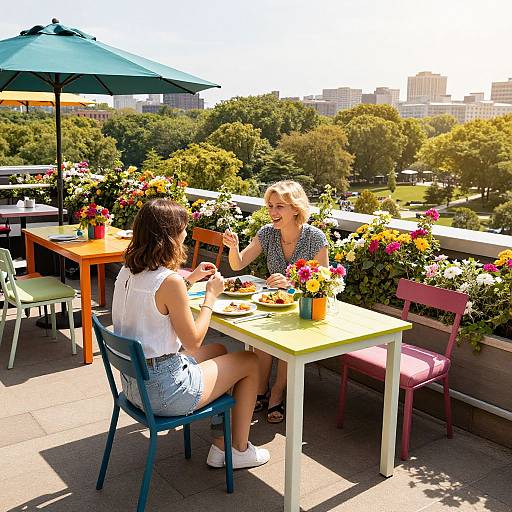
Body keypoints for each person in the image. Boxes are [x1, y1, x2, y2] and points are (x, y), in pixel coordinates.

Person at [112, 198, 270, 469]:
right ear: (168, 235)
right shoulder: (168, 281)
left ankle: (220, 446)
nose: (185, 233)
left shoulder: (127, 271)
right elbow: (194, 339)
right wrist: (211, 296)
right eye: (183, 228)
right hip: (163, 392)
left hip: (132, 386)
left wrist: (191, 279)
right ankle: (239, 449)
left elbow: (155, 302)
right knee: (249, 361)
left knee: (220, 352)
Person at [222, 180, 328, 423]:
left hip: (305, 307)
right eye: (270, 206)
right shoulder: (267, 233)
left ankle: (276, 393)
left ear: (295, 208)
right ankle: (261, 388)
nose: (272, 212)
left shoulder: (314, 238)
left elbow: (323, 283)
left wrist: (292, 283)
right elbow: (238, 264)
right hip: (274, 305)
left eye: (279, 206)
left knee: (285, 339)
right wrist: (234, 246)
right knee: (262, 334)